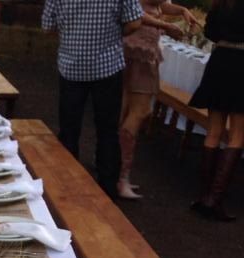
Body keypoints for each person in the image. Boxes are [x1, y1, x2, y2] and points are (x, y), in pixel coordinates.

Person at [42, 0, 143, 199]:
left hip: (71, 66)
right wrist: (112, 35)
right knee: (107, 131)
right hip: (107, 66)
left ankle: (65, 185)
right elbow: (134, 22)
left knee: (69, 130)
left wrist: (71, 36)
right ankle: (107, 189)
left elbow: (47, 26)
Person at [118, 3, 202, 199]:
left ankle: (114, 169)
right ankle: (121, 176)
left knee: (127, 110)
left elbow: (156, 4)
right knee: (138, 112)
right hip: (140, 52)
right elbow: (136, 10)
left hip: (137, 48)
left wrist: (181, 10)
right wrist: (165, 25)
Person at [190, 0, 244, 221]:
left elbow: (210, 31)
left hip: (219, 61)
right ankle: (214, 199)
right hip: (242, 64)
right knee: (237, 134)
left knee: (213, 131)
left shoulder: (221, 3)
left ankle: (205, 196)